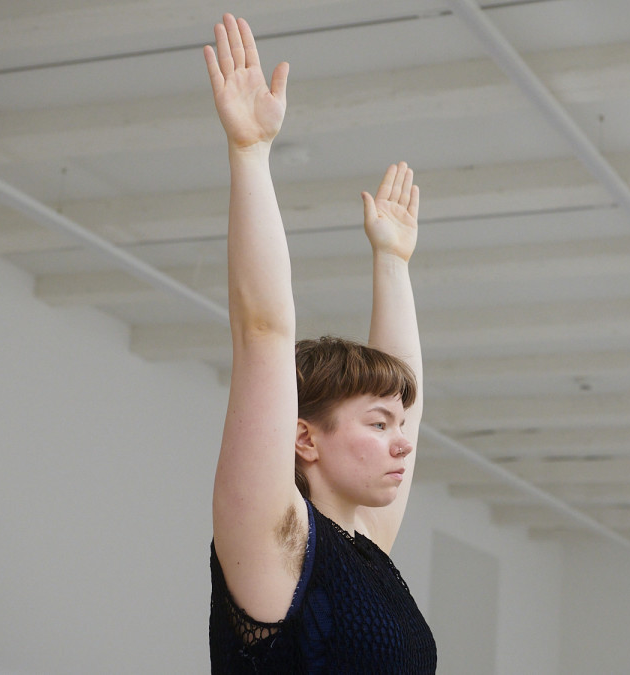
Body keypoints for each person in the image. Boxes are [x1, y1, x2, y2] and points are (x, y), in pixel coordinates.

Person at [204, 13, 436, 673]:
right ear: (304, 437)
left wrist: (392, 261)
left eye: (399, 422)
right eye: (378, 423)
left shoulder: (366, 546)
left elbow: (406, 394)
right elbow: (263, 333)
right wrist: (249, 153)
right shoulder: (274, 540)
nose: (404, 438)